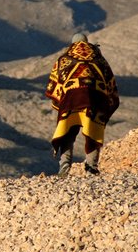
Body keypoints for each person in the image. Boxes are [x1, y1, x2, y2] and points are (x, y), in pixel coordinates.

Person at [45, 33, 119, 177]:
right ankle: (92, 167)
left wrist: (61, 102)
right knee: (93, 131)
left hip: (71, 100)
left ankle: (64, 168)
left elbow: (54, 85)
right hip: (95, 100)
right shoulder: (99, 59)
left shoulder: (64, 59)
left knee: (67, 133)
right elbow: (110, 84)